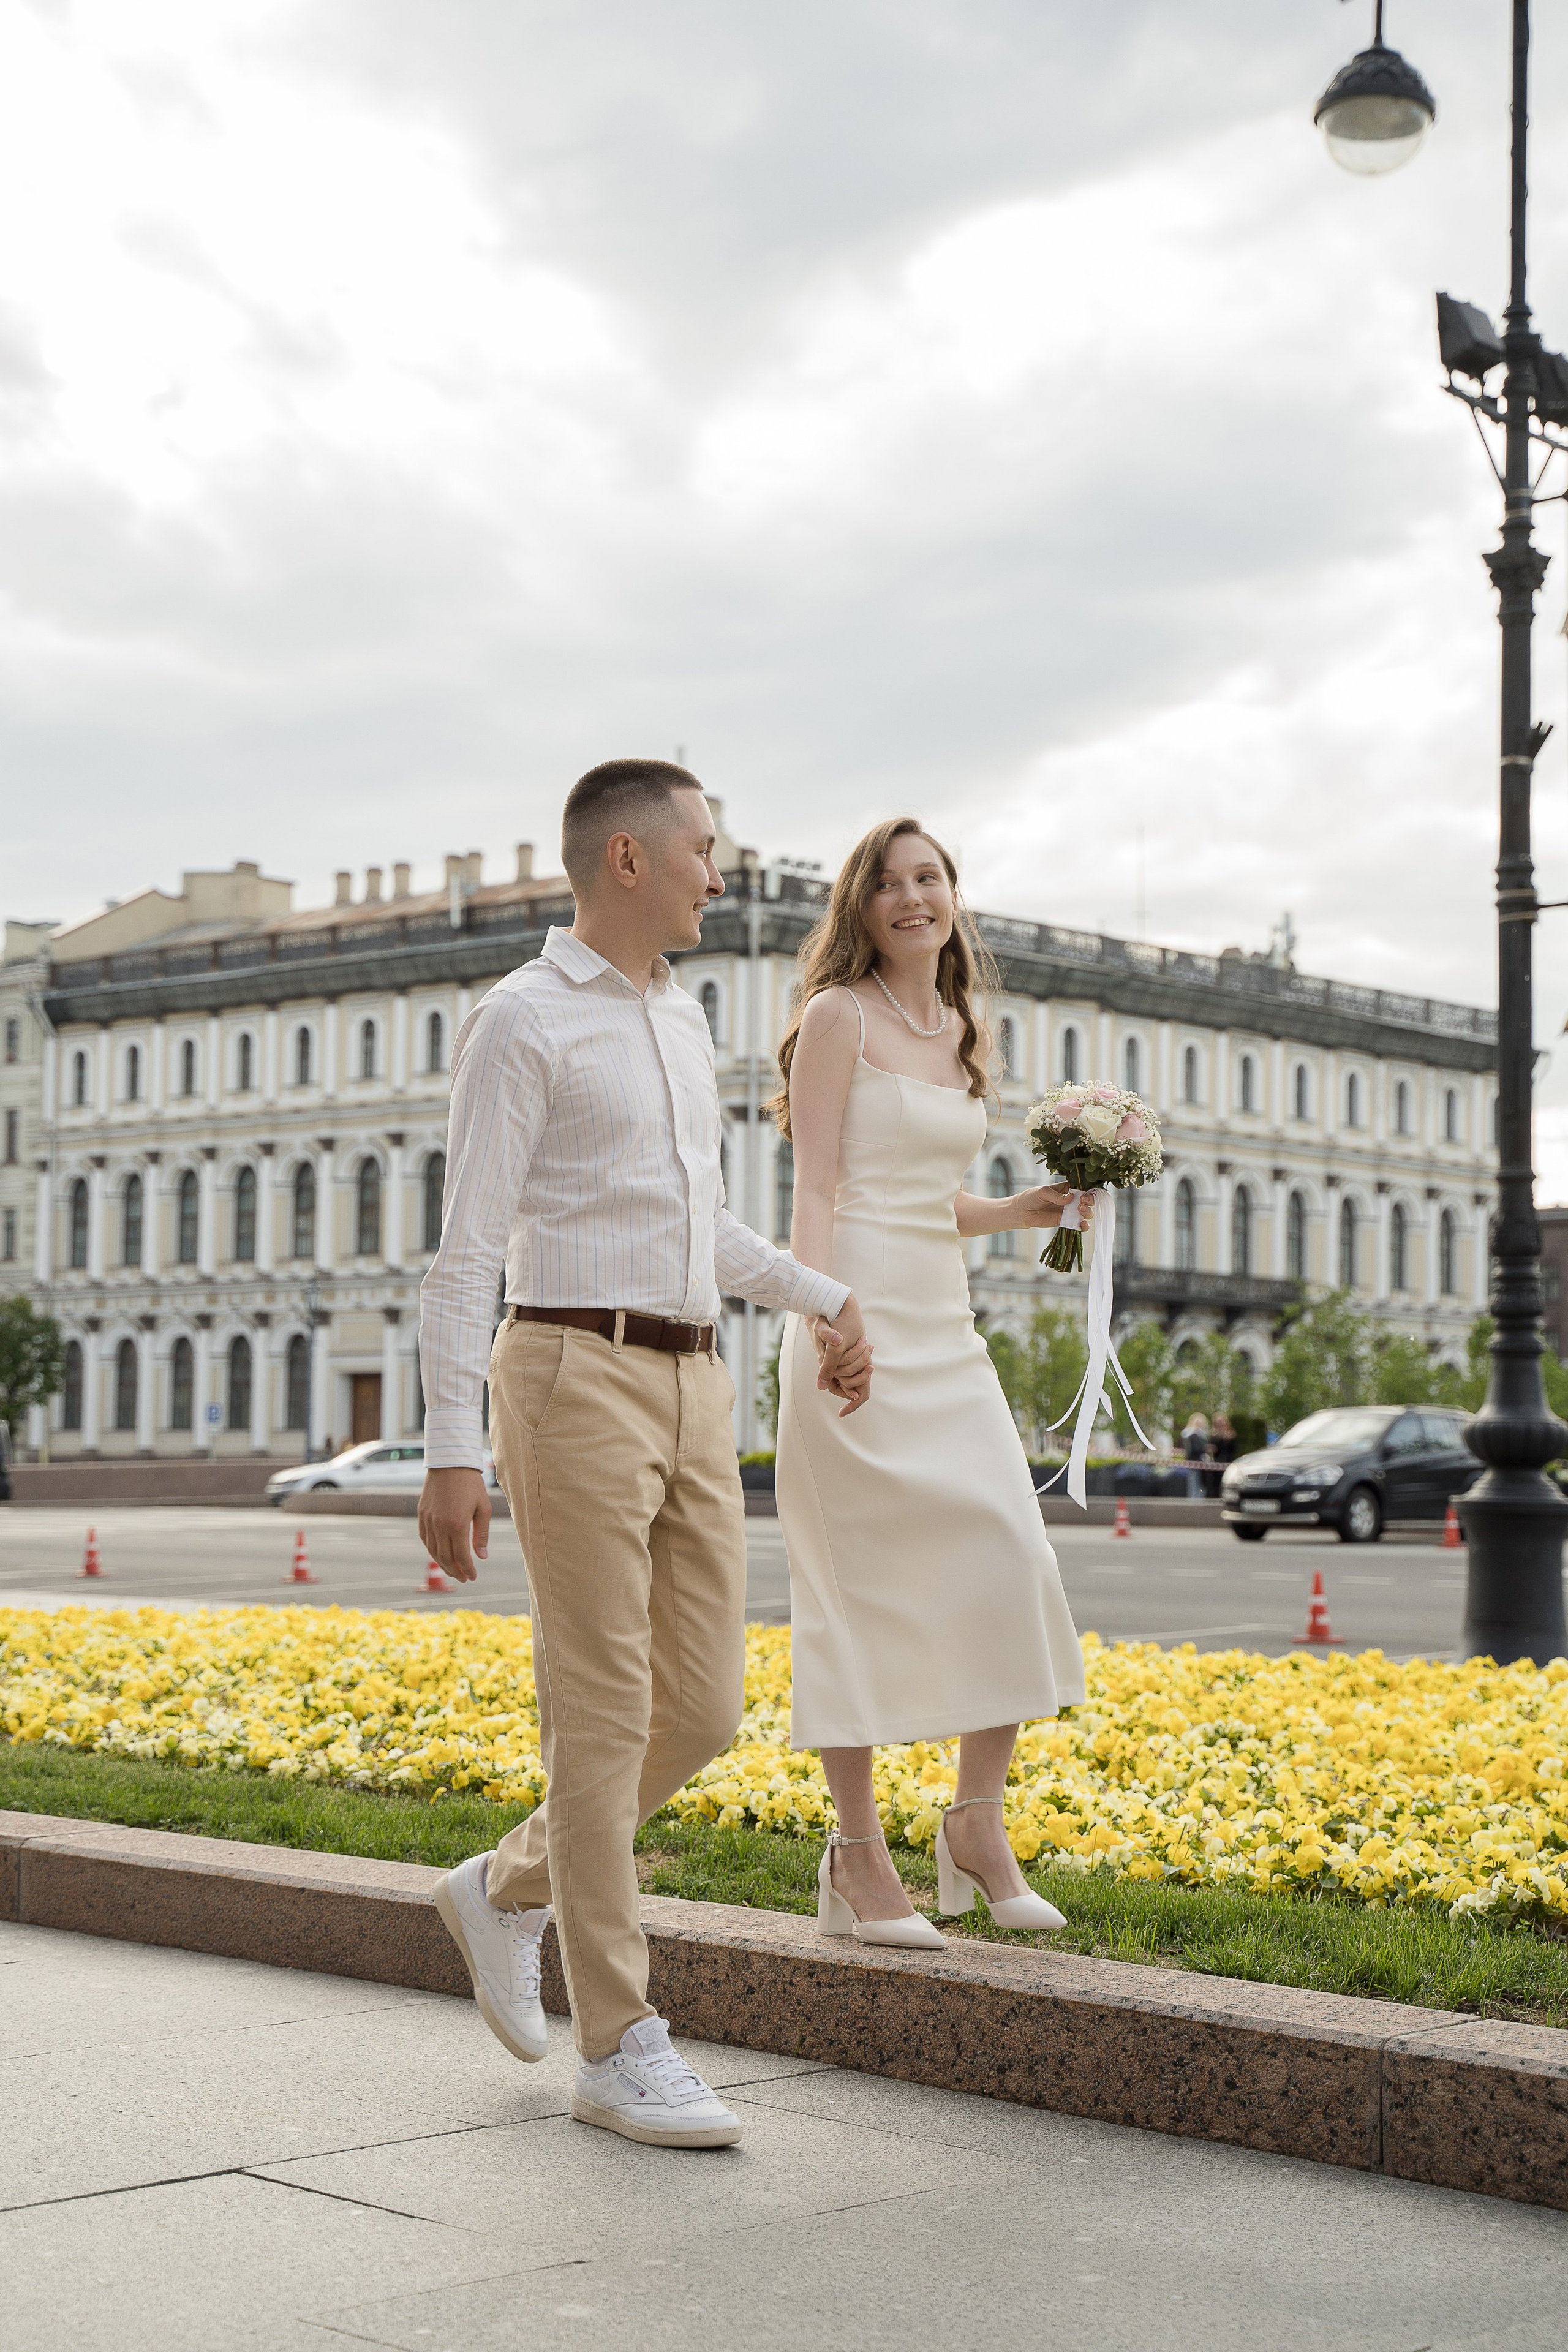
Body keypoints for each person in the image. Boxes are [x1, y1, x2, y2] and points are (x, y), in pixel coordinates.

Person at [417, 758, 873, 2150]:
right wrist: (448, 1450)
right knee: (603, 1711)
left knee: (706, 1706)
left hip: (691, 1379)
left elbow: (706, 1233)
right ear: (627, 857)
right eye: (703, 848)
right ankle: (617, 2040)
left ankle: (505, 1883)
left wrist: (825, 1297)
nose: (719, 872)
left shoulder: (681, 1018)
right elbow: (468, 1248)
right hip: (567, 1373)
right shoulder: (521, 1019)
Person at [772, 816, 1087, 1947]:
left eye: (930, 879)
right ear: (859, 906)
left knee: (1011, 1552)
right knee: (851, 1589)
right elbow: (820, 1189)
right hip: (851, 1321)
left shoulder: (959, 1028)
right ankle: (857, 1857)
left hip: (945, 1329)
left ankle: (973, 1825)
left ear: (953, 896)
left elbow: (926, 1196)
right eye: (889, 884)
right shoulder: (835, 1017)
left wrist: (1017, 1212)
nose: (913, 899)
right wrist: (821, 1311)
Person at [1181, 1412, 1212, 1500]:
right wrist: (1206, 1449)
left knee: (1197, 1485)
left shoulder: (1200, 1435)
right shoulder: (1193, 1435)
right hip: (1195, 1464)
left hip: (1198, 1465)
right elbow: (1197, 1449)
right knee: (1195, 1485)